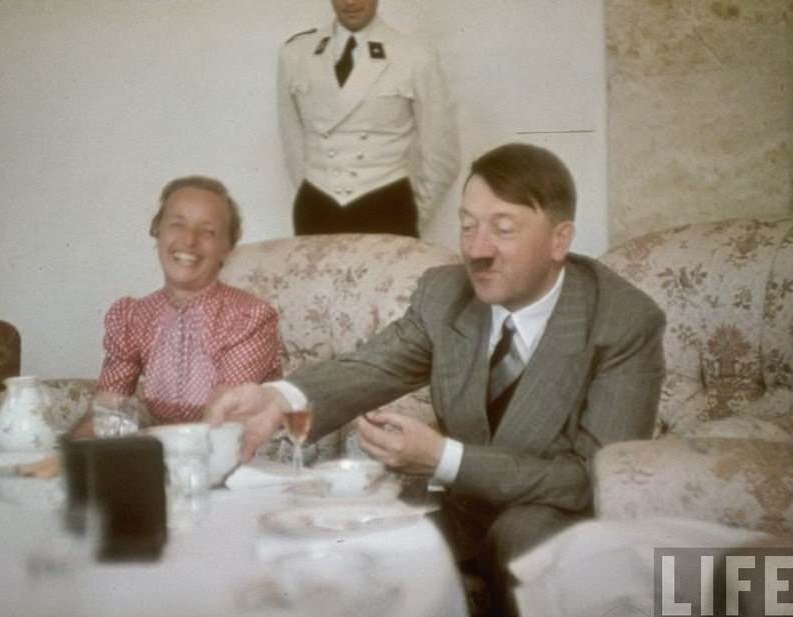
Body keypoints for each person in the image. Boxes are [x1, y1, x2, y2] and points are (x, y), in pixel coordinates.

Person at [205, 143, 666, 616]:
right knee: (344, 548)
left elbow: (588, 479)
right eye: (467, 226)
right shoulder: (445, 294)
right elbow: (373, 366)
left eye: (502, 229)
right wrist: (278, 399)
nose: (476, 250)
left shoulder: (623, 321)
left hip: (557, 522)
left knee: (524, 537)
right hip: (464, 513)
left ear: (559, 239)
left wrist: (443, 458)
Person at [70, 175, 282, 437]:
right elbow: (108, 411)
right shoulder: (133, 317)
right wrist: (68, 457)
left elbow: (222, 423)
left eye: (208, 231)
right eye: (177, 224)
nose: (189, 240)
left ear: (227, 247)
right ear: (157, 231)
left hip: (238, 456)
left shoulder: (249, 317)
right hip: (165, 459)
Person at [279, 0, 460, 237]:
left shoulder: (414, 55)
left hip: (387, 208)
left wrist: (411, 216)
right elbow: (293, 145)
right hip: (316, 209)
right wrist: (314, 188)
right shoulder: (295, 54)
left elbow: (441, 155)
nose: (350, 2)